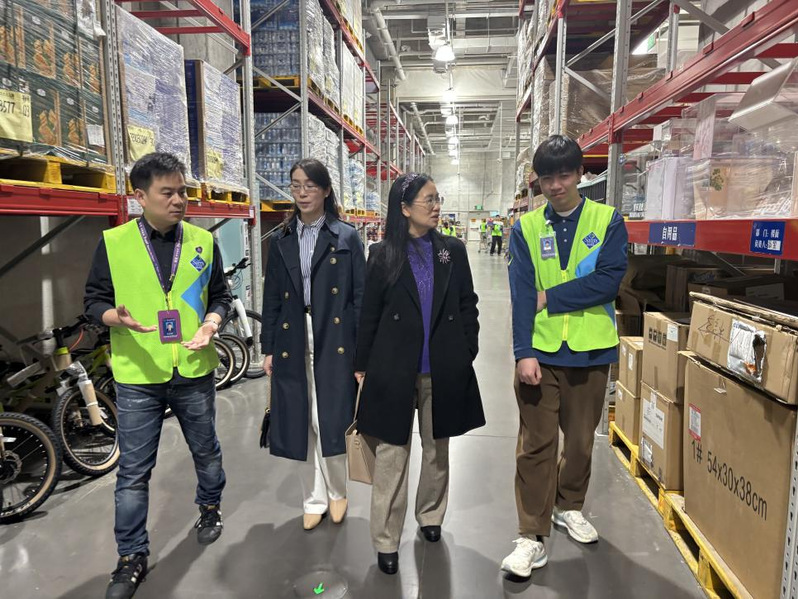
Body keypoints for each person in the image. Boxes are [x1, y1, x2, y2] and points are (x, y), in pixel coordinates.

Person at [84, 152, 231, 599]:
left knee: (205, 449)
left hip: (193, 368)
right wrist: (115, 317)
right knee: (132, 471)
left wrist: (211, 325)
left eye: (182, 191)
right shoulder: (114, 243)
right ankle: (131, 556)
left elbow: (221, 297)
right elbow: (93, 301)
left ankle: (210, 506)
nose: (179, 200)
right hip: (139, 374)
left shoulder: (203, 242)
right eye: (167, 193)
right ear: (140, 196)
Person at [501, 135, 627, 577]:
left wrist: (550, 297)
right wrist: (523, 352)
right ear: (538, 181)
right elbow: (521, 293)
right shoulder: (527, 228)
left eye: (564, 175)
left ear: (580, 175)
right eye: (547, 178)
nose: (555, 186)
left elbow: (608, 282)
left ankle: (568, 505)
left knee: (579, 443)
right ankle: (530, 535)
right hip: (541, 352)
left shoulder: (608, 221)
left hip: (591, 352)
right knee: (536, 446)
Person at [354, 173, 485, 575]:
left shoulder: (452, 251)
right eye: (428, 200)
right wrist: (362, 364)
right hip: (393, 366)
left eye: (437, 198)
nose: (436, 206)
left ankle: (430, 515)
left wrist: (466, 349)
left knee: (436, 449)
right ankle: (385, 539)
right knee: (391, 454)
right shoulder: (382, 254)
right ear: (405, 208)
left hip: (441, 366)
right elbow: (369, 313)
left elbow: (467, 303)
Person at [260, 158, 365, 531]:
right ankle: (313, 499)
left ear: (326, 190)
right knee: (300, 420)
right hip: (293, 334)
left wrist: (362, 353)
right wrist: (268, 346)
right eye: (296, 185)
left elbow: (360, 297)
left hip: (333, 334)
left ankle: (337, 492)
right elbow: (272, 297)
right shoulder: (283, 238)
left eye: (310, 186)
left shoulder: (346, 236)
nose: (302, 193)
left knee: (330, 418)